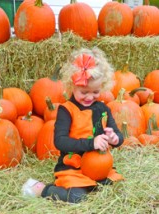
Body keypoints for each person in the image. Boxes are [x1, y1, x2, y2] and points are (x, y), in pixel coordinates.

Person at [22, 47, 124, 203]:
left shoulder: (103, 109)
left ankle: (93, 184)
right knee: (77, 198)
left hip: (100, 168)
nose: (90, 97)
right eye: (84, 92)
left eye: (95, 91)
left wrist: (114, 138)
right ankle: (43, 189)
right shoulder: (66, 110)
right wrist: (92, 143)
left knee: (115, 189)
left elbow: (119, 135)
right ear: (72, 86)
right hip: (73, 169)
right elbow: (60, 142)